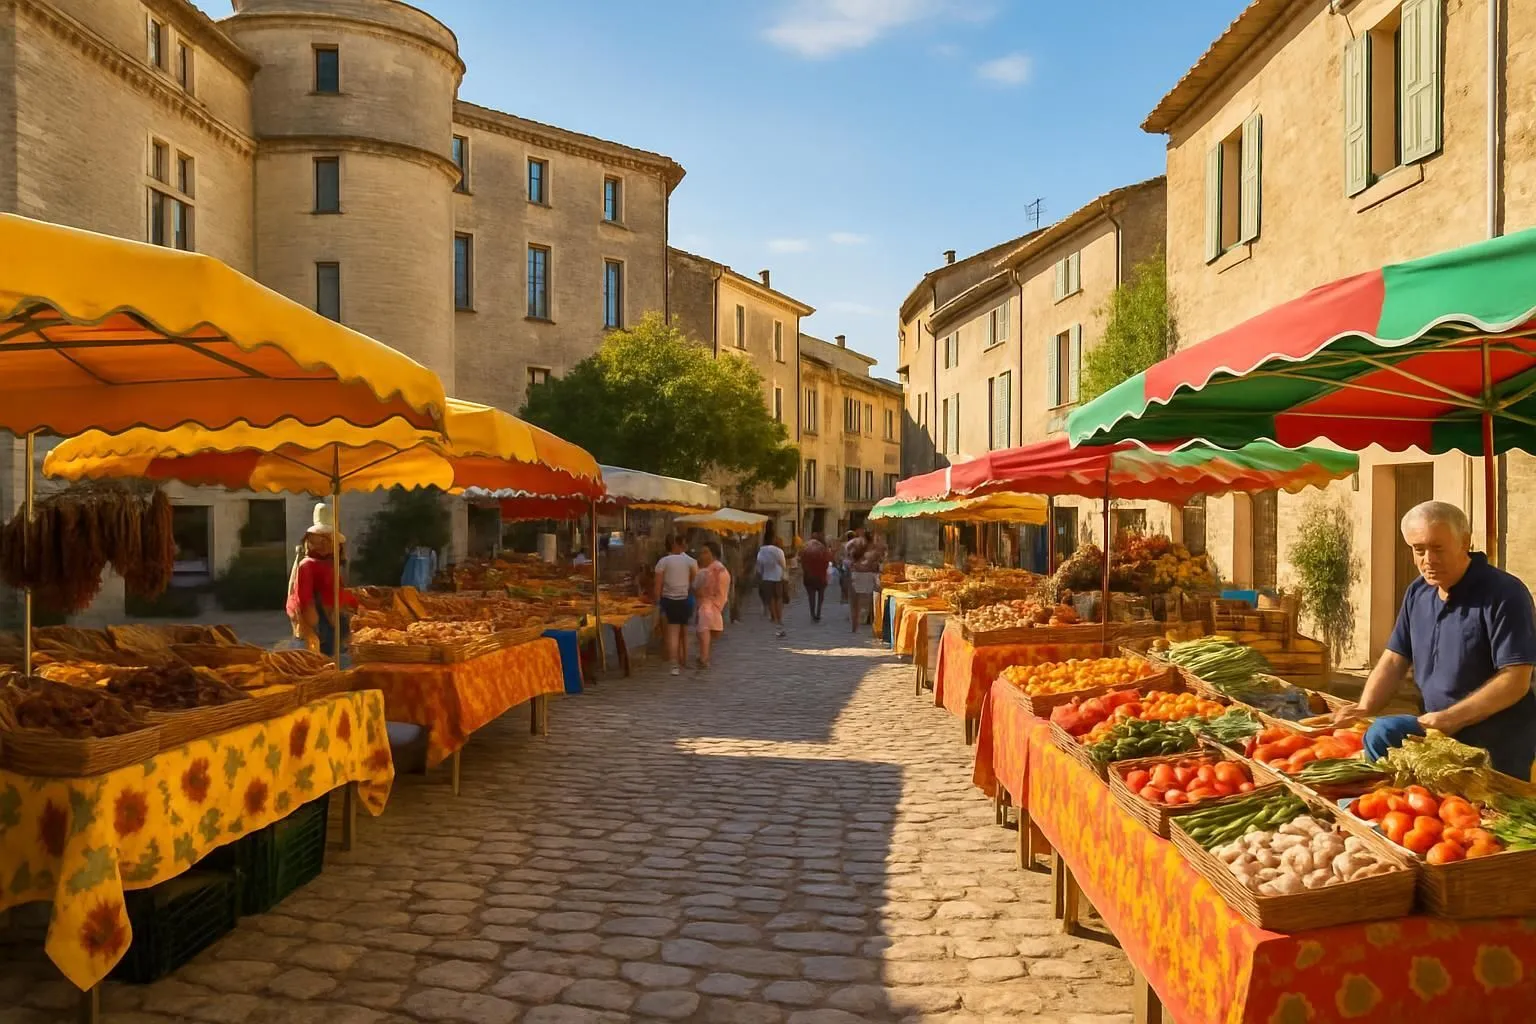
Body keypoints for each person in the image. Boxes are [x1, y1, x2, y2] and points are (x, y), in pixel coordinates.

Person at [1333, 500, 1536, 779]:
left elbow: (1516, 679)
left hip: (1497, 742)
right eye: (1419, 550)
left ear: (1465, 542)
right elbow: (1394, 658)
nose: (1428, 560)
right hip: (1435, 731)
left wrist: (1452, 718)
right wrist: (1364, 707)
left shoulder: (1504, 594)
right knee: (1381, 735)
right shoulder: (1418, 592)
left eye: (1437, 548)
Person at [286, 502, 359, 660]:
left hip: (333, 625)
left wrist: (352, 604)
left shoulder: (329, 565)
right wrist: (313, 631)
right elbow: (306, 602)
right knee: (321, 665)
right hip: (319, 630)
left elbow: (336, 592)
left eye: (328, 540)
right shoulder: (307, 565)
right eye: (320, 540)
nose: (325, 545)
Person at [653, 535, 698, 676]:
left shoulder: (663, 562)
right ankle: (684, 659)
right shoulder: (690, 561)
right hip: (685, 598)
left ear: (673, 545)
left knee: (673, 632)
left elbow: (658, 585)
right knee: (685, 630)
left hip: (669, 599)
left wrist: (657, 601)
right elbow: (694, 581)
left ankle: (674, 664)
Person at [692, 541, 730, 669]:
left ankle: (704, 658)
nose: (702, 555)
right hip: (717, 605)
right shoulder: (723, 569)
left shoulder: (706, 572)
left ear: (712, 554)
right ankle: (705, 655)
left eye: (705, 552)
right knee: (709, 631)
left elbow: (698, 590)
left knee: (704, 631)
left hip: (707, 605)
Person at [848, 528, 882, 634]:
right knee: (872, 602)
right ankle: (873, 623)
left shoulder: (856, 544)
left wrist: (856, 566)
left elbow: (850, 558)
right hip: (868, 575)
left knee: (854, 602)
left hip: (857, 574)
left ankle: (854, 626)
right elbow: (875, 565)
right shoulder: (875, 549)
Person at [756, 531, 788, 639]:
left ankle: (774, 616)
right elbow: (783, 564)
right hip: (778, 577)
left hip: (766, 577)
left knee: (770, 599)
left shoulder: (762, 551)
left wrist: (761, 573)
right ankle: (779, 617)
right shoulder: (778, 551)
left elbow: (759, 563)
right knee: (778, 597)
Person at [799, 533, 831, 622]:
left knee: (811, 595)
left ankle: (812, 613)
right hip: (821, 575)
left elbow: (802, 561)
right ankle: (818, 612)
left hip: (809, 575)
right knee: (821, 595)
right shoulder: (823, 548)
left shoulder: (806, 547)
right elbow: (827, 562)